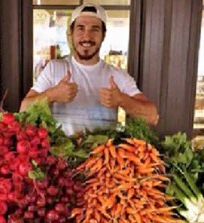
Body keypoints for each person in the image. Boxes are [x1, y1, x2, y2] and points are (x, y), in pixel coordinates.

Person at [21, 3, 160, 135]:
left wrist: (121, 100)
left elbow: (152, 117)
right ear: (71, 33)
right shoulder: (54, 69)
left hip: (102, 152)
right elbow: (23, 110)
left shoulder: (117, 76)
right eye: (81, 28)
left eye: (95, 29)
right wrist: (52, 95)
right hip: (60, 151)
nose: (87, 36)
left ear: (103, 35)